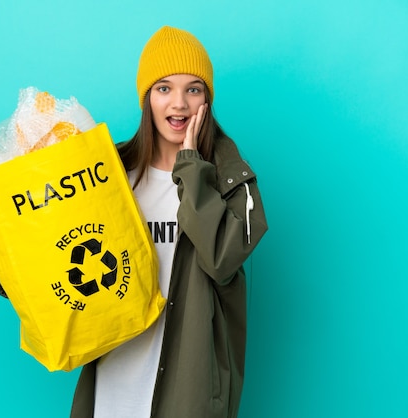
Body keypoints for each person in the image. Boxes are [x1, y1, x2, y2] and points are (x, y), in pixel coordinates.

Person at [69, 26, 268, 418]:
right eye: (164, 88)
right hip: (113, 383)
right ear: (146, 97)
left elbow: (221, 259)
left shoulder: (231, 179)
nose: (179, 104)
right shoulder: (111, 172)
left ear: (207, 100)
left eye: (193, 89)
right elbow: (67, 245)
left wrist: (192, 168)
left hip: (188, 393)